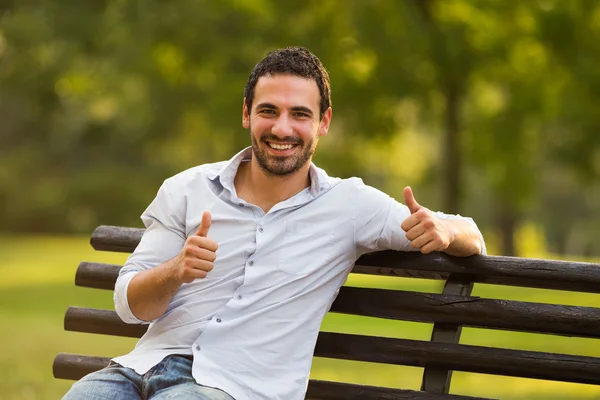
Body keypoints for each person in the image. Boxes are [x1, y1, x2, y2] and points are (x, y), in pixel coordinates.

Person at [63, 46, 485, 400]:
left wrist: (447, 231)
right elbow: (129, 306)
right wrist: (174, 271)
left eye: (299, 114)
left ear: (324, 122)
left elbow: (470, 231)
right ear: (247, 113)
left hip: (233, 388)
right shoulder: (188, 189)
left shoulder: (351, 205)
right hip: (137, 371)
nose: (282, 128)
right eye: (269, 110)